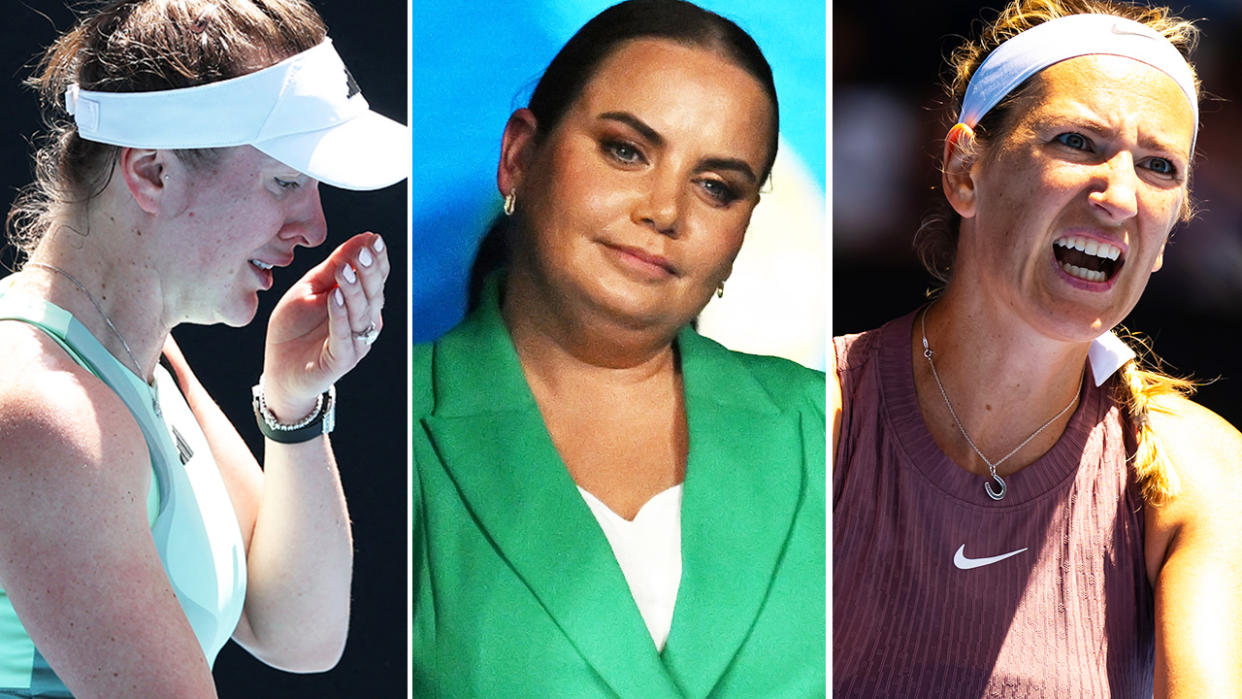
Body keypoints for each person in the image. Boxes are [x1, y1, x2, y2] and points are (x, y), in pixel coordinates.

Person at [411, 0, 824, 695]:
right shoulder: (390, 421)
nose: (664, 210)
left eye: (716, 187)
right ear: (519, 155)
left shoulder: (832, 425)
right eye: (626, 150)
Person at [832, 0, 1242, 696]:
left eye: (1159, 167)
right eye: (1077, 142)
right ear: (964, 168)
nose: (1119, 195)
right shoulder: (809, 414)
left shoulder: (1204, 472)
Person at [0, 1, 407, 696]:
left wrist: (294, 402)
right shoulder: (46, 414)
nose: (314, 225)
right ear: (153, 171)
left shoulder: (147, 361)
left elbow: (298, 633)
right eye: (286, 182)